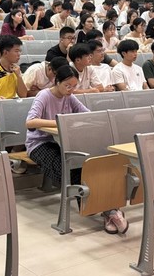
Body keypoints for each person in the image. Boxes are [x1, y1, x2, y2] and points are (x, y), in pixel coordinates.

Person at [25, 65, 129, 234]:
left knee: (88, 166)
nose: (71, 90)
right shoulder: (44, 96)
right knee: (69, 170)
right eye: (67, 86)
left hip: (64, 143)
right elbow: (30, 122)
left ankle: (108, 210)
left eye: (74, 86)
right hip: (40, 144)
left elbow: (86, 114)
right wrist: (60, 122)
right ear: (57, 82)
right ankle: (109, 211)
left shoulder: (70, 97)